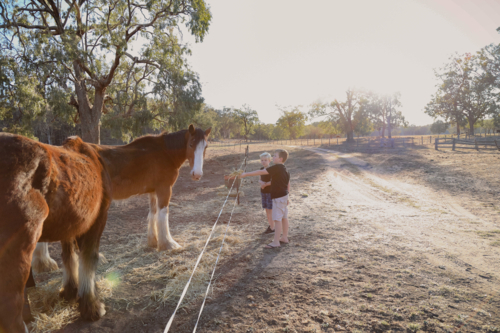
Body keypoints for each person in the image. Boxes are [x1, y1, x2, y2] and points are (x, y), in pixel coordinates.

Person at [240, 149, 290, 248]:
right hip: (284, 196)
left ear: (280, 159)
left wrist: (245, 174)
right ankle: (284, 237)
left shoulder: (276, 167)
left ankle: (276, 242)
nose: (273, 157)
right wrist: (288, 197)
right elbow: (287, 184)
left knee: (277, 219)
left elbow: (260, 171)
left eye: (275, 156)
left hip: (278, 198)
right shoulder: (285, 169)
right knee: (284, 217)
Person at [258, 152, 274, 234]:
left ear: (269, 160)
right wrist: (262, 184)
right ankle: (270, 225)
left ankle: (272, 227)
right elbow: (259, 179)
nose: (263, 162)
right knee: (267, 210)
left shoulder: (271, 170)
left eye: (265, 160)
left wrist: (265, 184)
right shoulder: (261, 169)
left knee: (270, 210)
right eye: (262, 160)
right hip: (263, 191)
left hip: (270, 192)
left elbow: (273, 181)